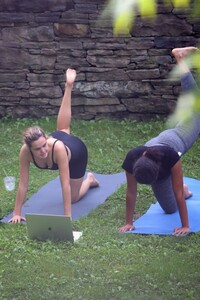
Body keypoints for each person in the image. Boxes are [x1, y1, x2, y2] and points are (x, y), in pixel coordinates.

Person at [119, 46, 200, 236]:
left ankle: (180, 58)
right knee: (169, 208)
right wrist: (129, 222)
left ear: (158, 172)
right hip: (155, 156)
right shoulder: (133, 158)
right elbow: (131, 192)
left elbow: (177, 192)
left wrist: (185, 226)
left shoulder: (171, 157)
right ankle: (190, 190)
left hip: (178, 138)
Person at [8, 68, 99, 223]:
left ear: (46, 138)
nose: (43, 150)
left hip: (76, 153)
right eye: (38, 148)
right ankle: (68, 86)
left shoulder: (56, 148)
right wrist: (16, 213)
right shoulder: (25, 152)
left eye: (44, 145)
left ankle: (90, 179)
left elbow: (65, 184)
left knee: (73, 198)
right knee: (63, 129)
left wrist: (67, 217)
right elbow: (23, 184)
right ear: (29, 149)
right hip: (60, 141)